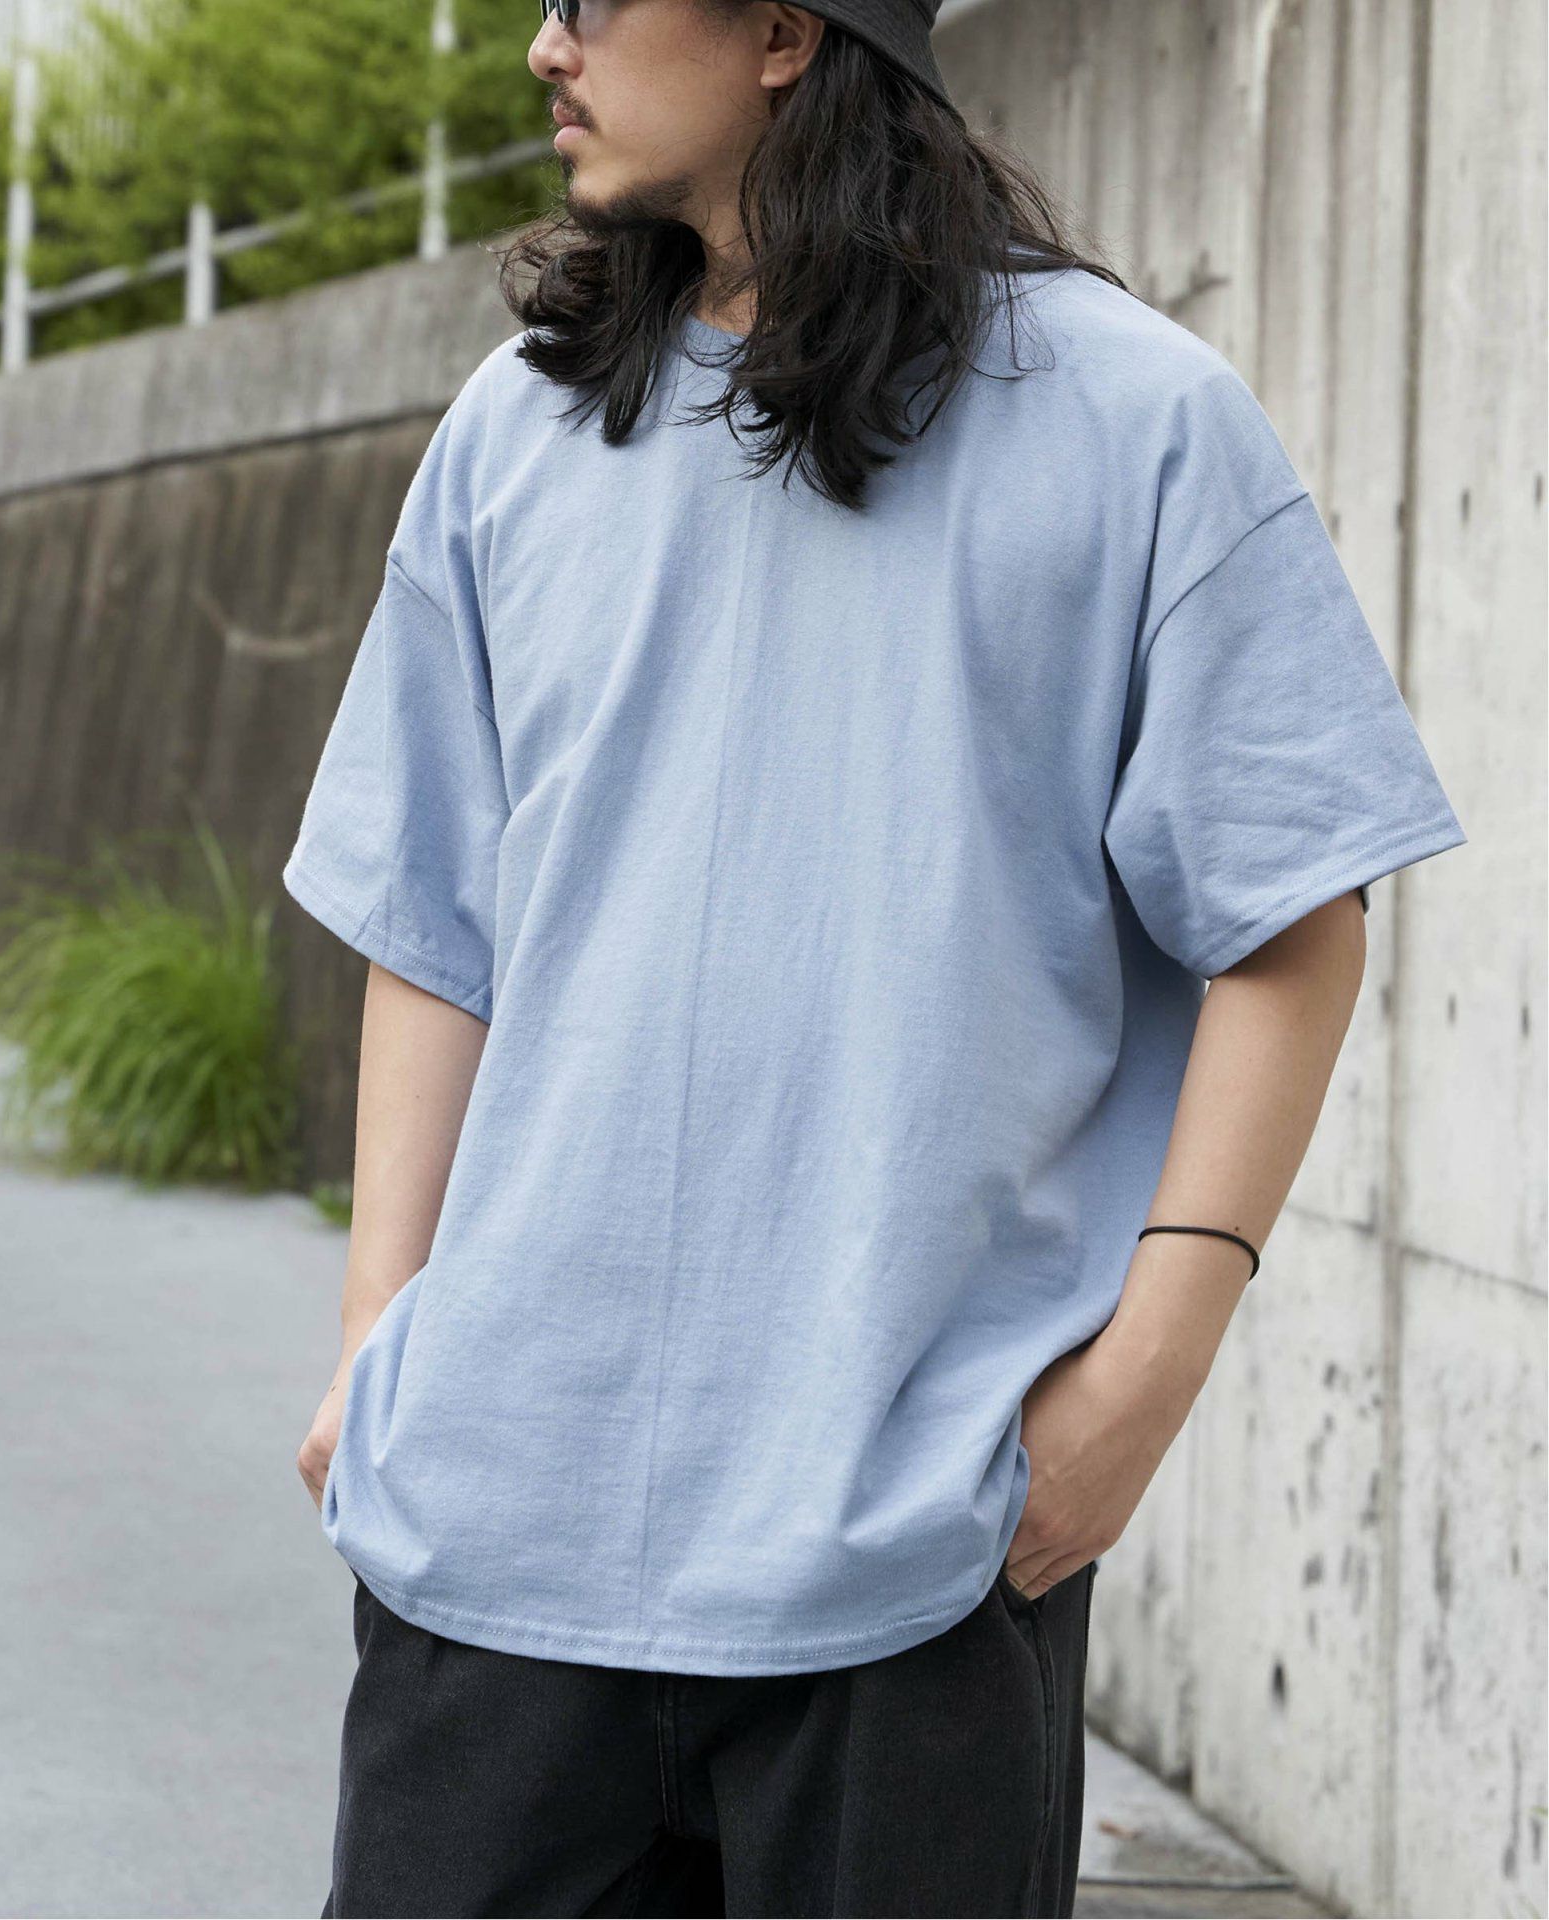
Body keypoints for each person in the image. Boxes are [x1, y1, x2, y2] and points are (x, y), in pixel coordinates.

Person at [281, 0, 1468, 1912]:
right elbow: (432, 921)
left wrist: (1141, 1386)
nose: (544, 46)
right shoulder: (516, 426)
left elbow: (1294, 922)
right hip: (493, 1541)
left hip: (911, 1561)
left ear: (780, 31)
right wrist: (376, 1345)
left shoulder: (1138, 420)